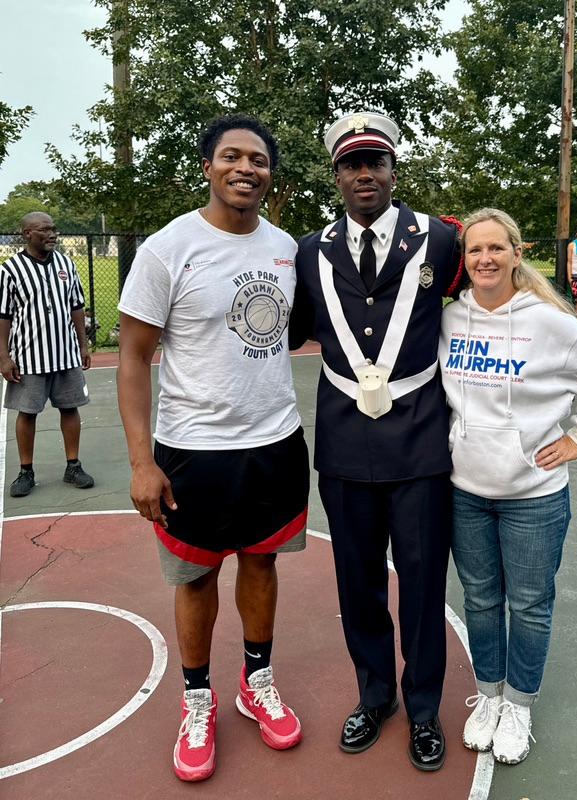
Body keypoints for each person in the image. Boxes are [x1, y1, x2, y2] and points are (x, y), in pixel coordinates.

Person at [117, 114, 309, 782]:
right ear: (207, 166)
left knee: (261, 563)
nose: (245, 168)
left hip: (275, 442)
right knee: (196, 577)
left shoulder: (285, 249)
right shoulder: (167, 249)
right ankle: (196, 698)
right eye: (232, 156)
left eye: (258, 159)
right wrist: (141, 462)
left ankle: (256, 682)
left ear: (269, 174)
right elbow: (132, 358)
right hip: (192, 449)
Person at [290, 112, 463, 771]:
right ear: (336, 176)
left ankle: (423, 708)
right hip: (344, 441)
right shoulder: (310, 250)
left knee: (421, 582)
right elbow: (293, 329)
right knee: (357, 582)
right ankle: (374, 695)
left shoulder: (440, 239)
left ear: (393, 171)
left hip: (420, 439)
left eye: (376, 162)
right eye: (352, 165)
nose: (365, 173)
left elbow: (484, 299)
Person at [440, 208, 577, 764]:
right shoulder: (451, 320)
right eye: (475, 250)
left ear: (517, 254)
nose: (485, 259)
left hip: (534, 497)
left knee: (528, 604)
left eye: (496, 248)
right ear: (464, 259)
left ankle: (519, 704)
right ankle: (490, 696)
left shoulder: (550, 323)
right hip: (466, 491)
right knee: (480, 599)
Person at [0, 212, 94, 497]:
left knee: (70, 407)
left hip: (65, 353)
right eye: (44, 229)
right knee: (27, 413)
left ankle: (73, 466)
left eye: (54, 229)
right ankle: (25, 471)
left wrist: (83, 345)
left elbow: (77, 307)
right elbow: (3, 316)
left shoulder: (66, 264)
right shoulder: (10, 270)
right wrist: (4, 357)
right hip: (29, 357)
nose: (52, 234)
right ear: (27, 234)